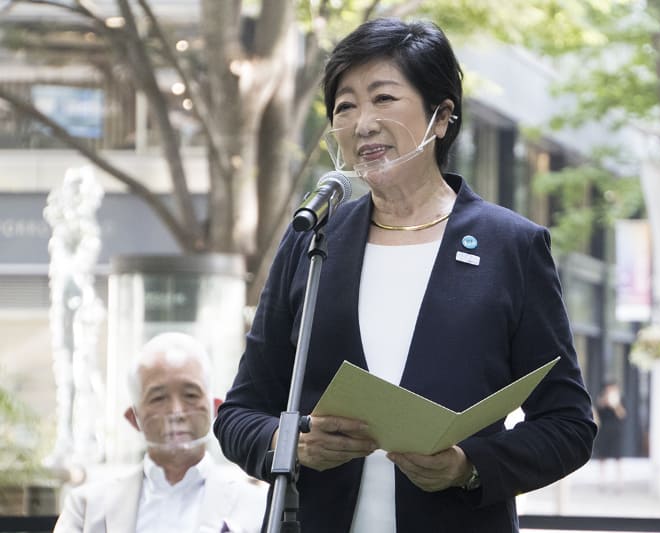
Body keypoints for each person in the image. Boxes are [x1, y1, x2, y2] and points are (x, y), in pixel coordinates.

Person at [213, 18, 596, 533]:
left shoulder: (512, 246)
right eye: (345, 106)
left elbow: (569, 425)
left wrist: (469, 466)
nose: (362, 122)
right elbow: (240, 414)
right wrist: (295, 445)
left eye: (383, 98)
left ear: (441, 117)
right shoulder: (312, 240)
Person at [54, 332, 267, 533]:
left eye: (191, 395)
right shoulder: (87, 508)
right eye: (158, 398)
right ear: (133, 417)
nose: (176, 412)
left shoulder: (259, 507)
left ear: (215, 408)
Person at [593, 381, 626, 491]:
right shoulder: (601, 400)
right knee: (602, 458)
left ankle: (619, 483)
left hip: (616, 432)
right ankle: (602, 482)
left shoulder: (620, 400)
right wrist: (604, 402)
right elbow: (597, 414)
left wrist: (615, 405)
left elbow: (622, 415)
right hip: (604, 432)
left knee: (618, 458)